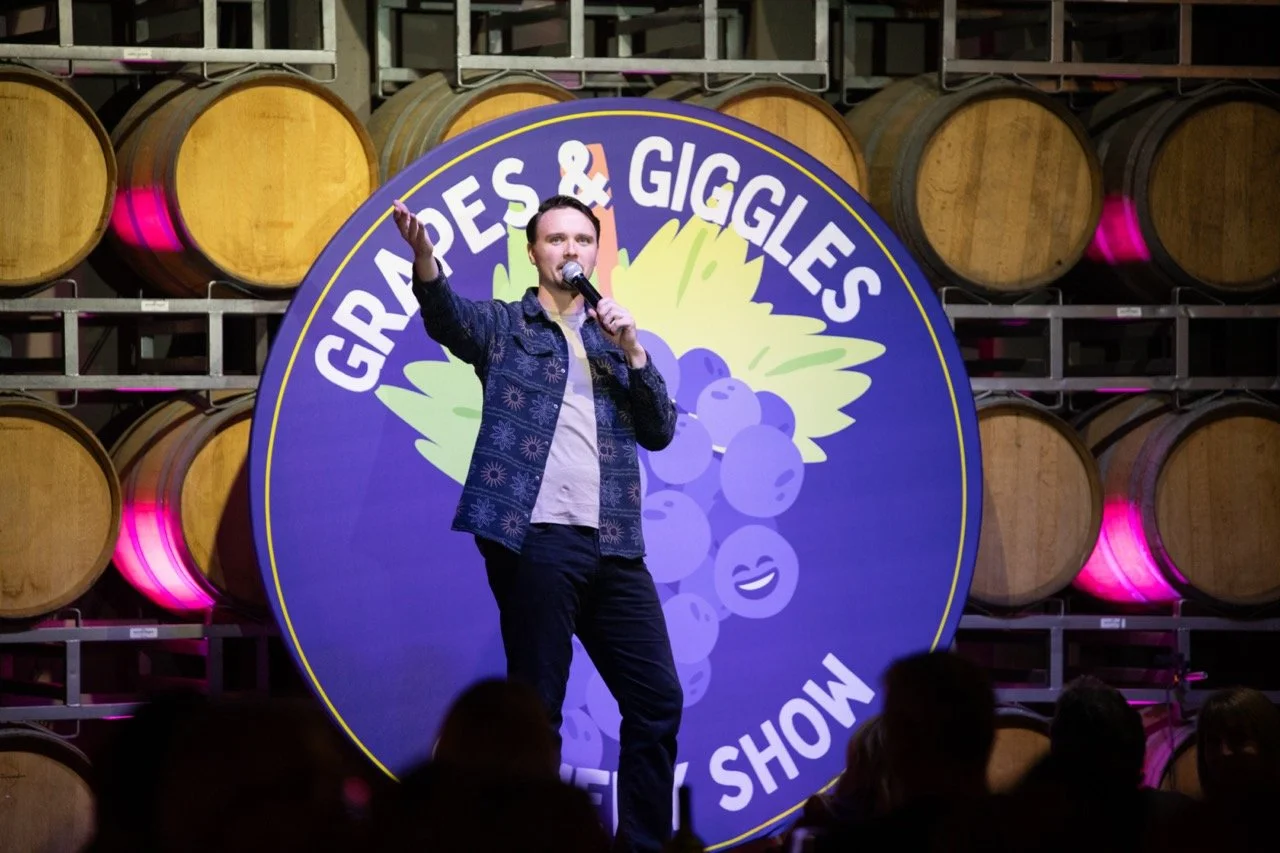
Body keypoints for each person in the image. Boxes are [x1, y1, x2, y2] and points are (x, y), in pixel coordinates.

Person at [392, 194, 683, 853]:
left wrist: (634, 350)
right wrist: (426, 259)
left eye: (582, 239)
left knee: (658, 699)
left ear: (596, 252)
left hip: (613, 543)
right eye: (556, 239)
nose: (570, 250)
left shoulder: (613, 338)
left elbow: (660, 431)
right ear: (533, 252)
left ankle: (643, 844)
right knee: (538, 710)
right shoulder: (505, 326)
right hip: (536, 538)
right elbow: (448, 319)